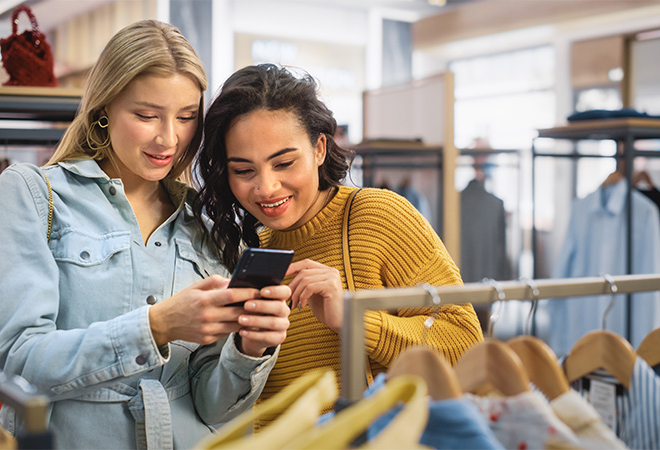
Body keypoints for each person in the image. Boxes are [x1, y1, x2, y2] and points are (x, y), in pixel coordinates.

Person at [0, 21, 290, 449]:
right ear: (104, 109)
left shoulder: (204, 219)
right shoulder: (30, 194)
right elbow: (16, 364)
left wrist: (249, 350)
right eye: (146, 115)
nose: (169, 138)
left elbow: (214, 408)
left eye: (186, 117)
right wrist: (155, 327)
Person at [195, 63, 483, 414]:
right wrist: (246, 350)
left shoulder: (377, 216)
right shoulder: (246, 248)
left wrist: (355, 316)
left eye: (284, 163)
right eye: (243, 170)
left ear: (319, 149)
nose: (266, 188)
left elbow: (467, 349)